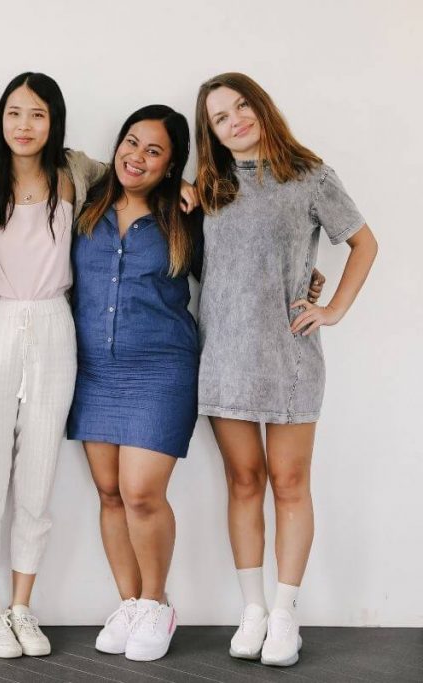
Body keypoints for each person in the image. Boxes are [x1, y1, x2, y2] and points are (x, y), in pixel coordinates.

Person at [194, 72, 378, 667]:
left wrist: (333, 307)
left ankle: (283, 613)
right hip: (223, 356)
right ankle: (251, 610)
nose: (235, 121)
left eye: (241, 106)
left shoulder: (311, 176)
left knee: (289, 483)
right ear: (213, 134)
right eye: (221, 118)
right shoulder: (208, 186)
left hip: (289, 356)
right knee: (243, 482)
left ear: (261, 106)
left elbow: (364, 242)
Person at [69, 104, 203, 662]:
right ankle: (128, 603)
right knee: (109, 493)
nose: (137, 157)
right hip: (93, 371)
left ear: (172, 166)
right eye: (132, 142)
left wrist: (308, 278)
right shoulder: (86, 195)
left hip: (161, 368)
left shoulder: (186, 215)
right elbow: (13, 158)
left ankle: (156, 603)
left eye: (154, 151)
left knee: (142, 494)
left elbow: (238, 270)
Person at [0, 72, 76, 660]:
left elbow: (140, 174)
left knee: (38, 474)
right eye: (14, 113)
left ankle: (22, 606)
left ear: (54, 120)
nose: (24, 125)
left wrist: (182, 188)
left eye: (36, 114)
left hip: (56, 325)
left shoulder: (73, 178)